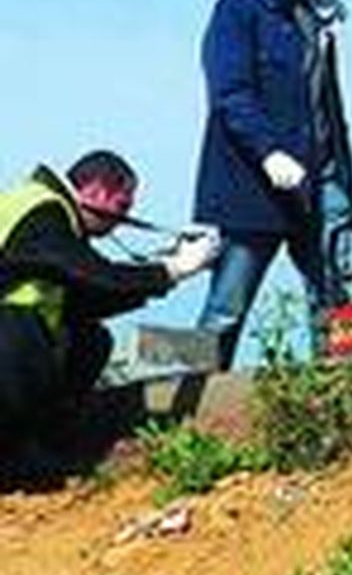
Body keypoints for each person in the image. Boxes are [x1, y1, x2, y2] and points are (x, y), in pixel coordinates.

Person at [191, 0, 352, 368]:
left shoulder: (314, 17)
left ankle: (336, 389)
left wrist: (337, 175)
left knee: (334, 301)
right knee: (226, 307)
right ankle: (191, 399)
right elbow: (230, 93)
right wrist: (269, 153)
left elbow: (324, 103)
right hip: (253, 189)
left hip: (320, 182)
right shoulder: (239, 10)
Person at [1, 152, 217, 448]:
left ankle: (46, 436)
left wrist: (162, 272)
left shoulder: (41, 210)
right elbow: (95, 275)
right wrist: (173, 269)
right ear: (96, 191)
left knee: (91, 339)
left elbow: (88, 298)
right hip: (9, 337)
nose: (122, 220)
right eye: (122, 205)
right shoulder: (43, 213)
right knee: (23, 333)